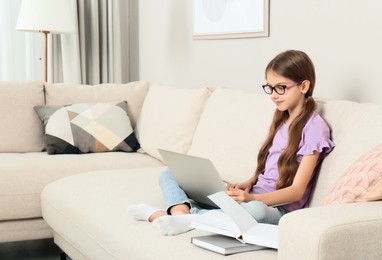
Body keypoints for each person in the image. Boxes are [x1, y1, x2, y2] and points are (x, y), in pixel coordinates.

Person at [128, 50, 335, 236]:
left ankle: (175, 215)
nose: (273, 95)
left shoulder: (315, 128)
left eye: (281, 88)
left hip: (276, 208)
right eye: (269, 88)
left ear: (304, 86)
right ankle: (183, 214)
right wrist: (248, 183)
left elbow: (297, 191)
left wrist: (253, 200)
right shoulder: (281, 119)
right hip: (251, 196)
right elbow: (268, 170)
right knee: (169, 173)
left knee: (254, 211)